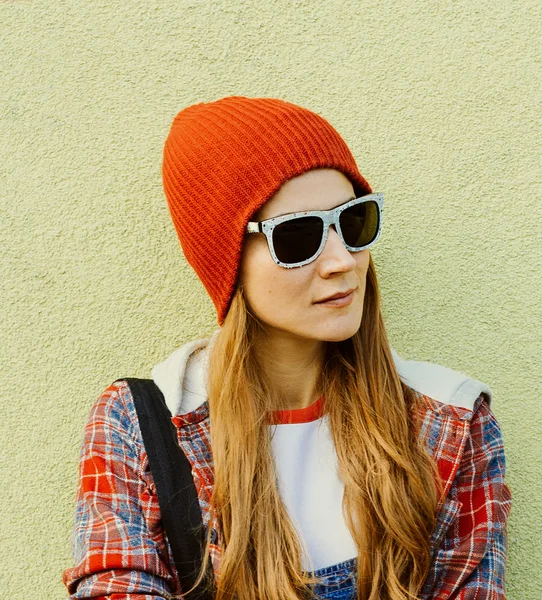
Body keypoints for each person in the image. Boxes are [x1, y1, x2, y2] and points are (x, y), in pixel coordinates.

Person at [62, 96, 512, 600]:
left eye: (354, 221)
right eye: (298, 236)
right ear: (227, 263)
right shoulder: (140, 426)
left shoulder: (448, 421)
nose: (342, 261)